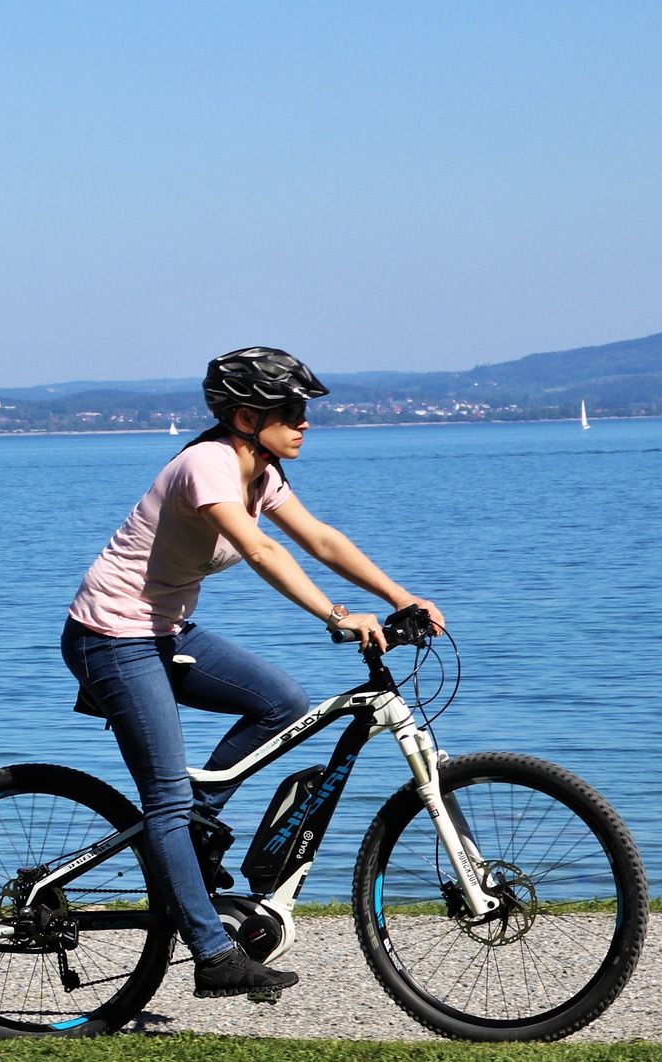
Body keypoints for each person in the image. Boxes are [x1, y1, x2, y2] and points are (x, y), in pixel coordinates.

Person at [62, 346, 445, 998]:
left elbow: (319, 539)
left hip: (167, 632)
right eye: (291, 410)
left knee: (283, 703)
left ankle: (186, 835)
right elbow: (261, 549)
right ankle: (213, 954)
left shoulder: (259, 472)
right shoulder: (207, 465)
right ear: (246, 415)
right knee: (166, 797)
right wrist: (334, 613)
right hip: (112, 639)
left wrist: (398, 596)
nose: (304, 423)